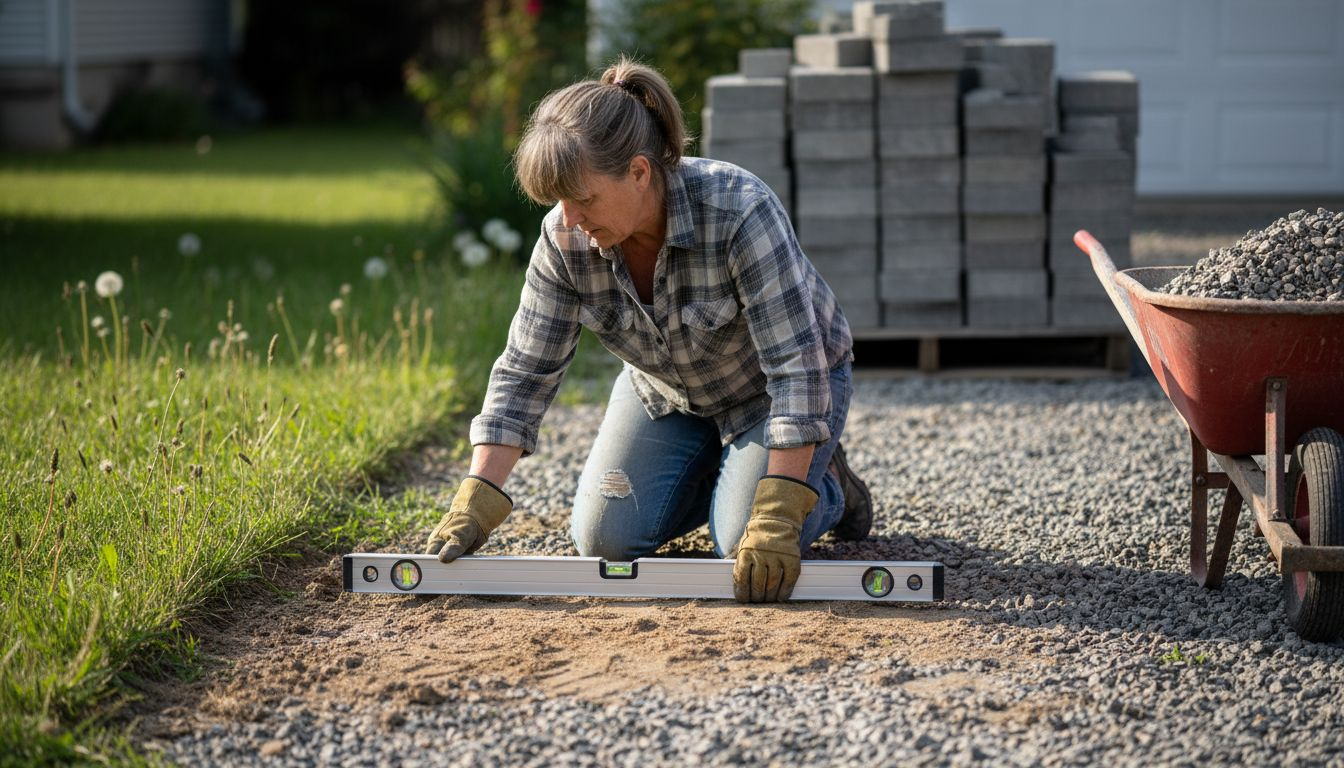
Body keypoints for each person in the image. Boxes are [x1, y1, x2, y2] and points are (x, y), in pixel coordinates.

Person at [424, 56, 873, 603]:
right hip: (669, 396)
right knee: (603, 541)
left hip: (774, 395)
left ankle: (824, 486)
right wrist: (478, 495)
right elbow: (525, 371)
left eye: (582, 198)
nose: (568, 218)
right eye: (558, 202)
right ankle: (735, 474)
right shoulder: (563, 238)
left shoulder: (738, 210)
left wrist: (778, 509)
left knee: (740, 545)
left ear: (640, 172)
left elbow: (797, 369)